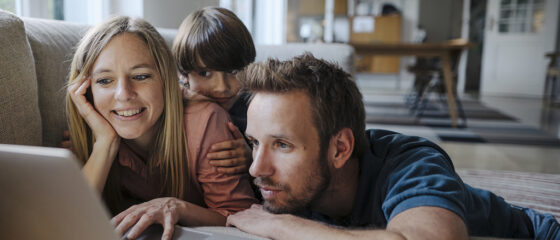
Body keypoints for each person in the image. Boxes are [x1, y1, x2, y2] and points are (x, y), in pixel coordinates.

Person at [226, 53, 560, 239]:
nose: (257, 168)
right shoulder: (282, 180)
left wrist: (280, 225)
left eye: (282, 145)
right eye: (254, 142)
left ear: (340, 148)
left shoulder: (411, 163)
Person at [65, 16, 257, 240]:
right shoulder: (94, 128)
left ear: (167, 80)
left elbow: (243, 220)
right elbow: (65, 226)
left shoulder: (208, 121)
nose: (124, 94)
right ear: (86, 91)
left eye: (141, 76)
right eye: (105, 81)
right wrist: (105, 145)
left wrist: (177, 207)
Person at [172, 7, 256, 175]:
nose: (221, 87)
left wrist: (253, 159)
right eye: (205, 73)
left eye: (233, 72)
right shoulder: (171, 111)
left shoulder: (256, 110)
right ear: (183, 75)